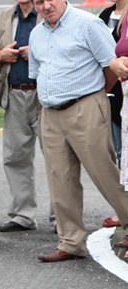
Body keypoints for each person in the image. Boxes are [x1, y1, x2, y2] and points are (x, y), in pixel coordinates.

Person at [32, 0, 128, 262]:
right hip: (51, 113)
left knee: (104, 171)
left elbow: (113, 64)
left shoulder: (88, 24)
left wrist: (96, 96)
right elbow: (37, 72)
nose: (46, 6)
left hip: (85, 106)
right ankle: (71, 242)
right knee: (60, 178)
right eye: (38, 2)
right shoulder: (37, 33)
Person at [0, 0, 49, 233]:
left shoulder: (48, 11)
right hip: (14, 93)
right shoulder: (4, 17)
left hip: (44, 97)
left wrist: (35, 53)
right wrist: (0, 55)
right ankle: (22, 215)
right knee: (14, 157)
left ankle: (61, 218)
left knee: (57, 159)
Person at [99, 1, 127, 229]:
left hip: (121, 89)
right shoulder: (106, 14)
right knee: (119, 152)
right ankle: (123, 207)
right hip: (112, 91)